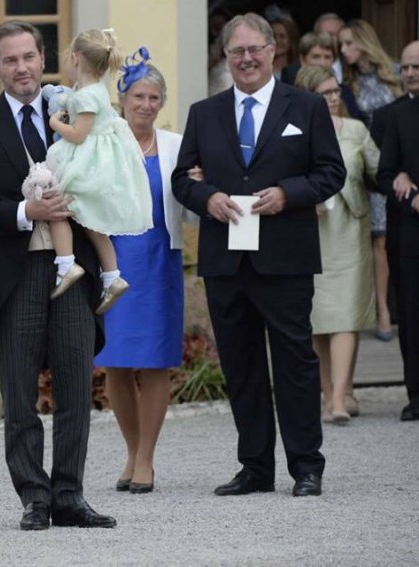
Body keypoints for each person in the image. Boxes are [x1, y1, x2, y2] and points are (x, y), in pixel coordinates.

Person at [0, 20, 116, 530]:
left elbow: (105, 166)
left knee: (75, 384)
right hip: (16, 270)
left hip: (76, 267)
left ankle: (69, 495)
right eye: (11, 60)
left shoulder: (73, 108)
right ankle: (34, 498)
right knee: (20, 392)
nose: (22, 68)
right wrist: (27, 212)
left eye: (29, 57)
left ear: (42, 58)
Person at [172, 13, 345, 498]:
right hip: (226, 260)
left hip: (285, 257)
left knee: (295, 363)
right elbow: (182, 178)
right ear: (226, 56)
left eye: (254, 49)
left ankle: (306, 466)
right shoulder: (204, 113)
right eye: (237, 51)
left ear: (272, 51)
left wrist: (288, 194)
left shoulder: (306, 107)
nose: (246, 59)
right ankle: (255, 467)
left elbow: (331, 173)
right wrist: (206, 198)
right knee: (241, 365)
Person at [95, 52, 189, 494]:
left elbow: (190, 198)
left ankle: (146, 458)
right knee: (114, 361)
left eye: (154, 97)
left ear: (162, 102)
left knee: (154, 362)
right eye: (138, 96)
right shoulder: (104, 142)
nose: (146, 105)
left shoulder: (175, 145)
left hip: (159, 263)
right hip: (113, 263)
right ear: (123, 99)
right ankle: (132, 452)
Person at [44, 30, 152, 313]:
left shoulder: (86, 96)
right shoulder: (95, 90)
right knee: (93, 226)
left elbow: (78, 134)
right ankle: (112, 276)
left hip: (87, 160)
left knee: (57, 203)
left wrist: (55, 123)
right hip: (99, 158)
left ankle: (66, 263)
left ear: (75, 59)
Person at [295, 65, 378, 425]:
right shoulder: (294, 132)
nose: (332, 98)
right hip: (310, 231)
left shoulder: (356, 130)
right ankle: (328, 392)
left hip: (349, 231)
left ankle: (341, 396)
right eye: (323, 93)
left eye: (335, 91)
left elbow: (380, 171)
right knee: (318, 317)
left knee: (346, 314)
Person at [339, 20, 403, 343]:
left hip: (402, 164)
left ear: (364, 42)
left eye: (349, 43)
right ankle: (383, 311)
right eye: (341, 44)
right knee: (378, 240)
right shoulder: (347, 85)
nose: (343, 50)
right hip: (370, 169)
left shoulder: (397, 73)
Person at [370, 41, 419, 391]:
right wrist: (411, 196)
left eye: (417, 67)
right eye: (405, 68)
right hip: (409, 235)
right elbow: (384, 174)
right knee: (412, 319)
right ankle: (416, 395)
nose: (410, 73)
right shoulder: (394, 116)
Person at [313, 12, 345, 83]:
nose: (333, 39)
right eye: (329, 34)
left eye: (337, 35)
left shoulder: (351, 67)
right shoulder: (308, 66)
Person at [269, 16, 299, 81]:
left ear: (291, 40)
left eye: (282, 36)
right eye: (274, 36)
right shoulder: (260, 70)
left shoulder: (298, 71)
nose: (277, 40)